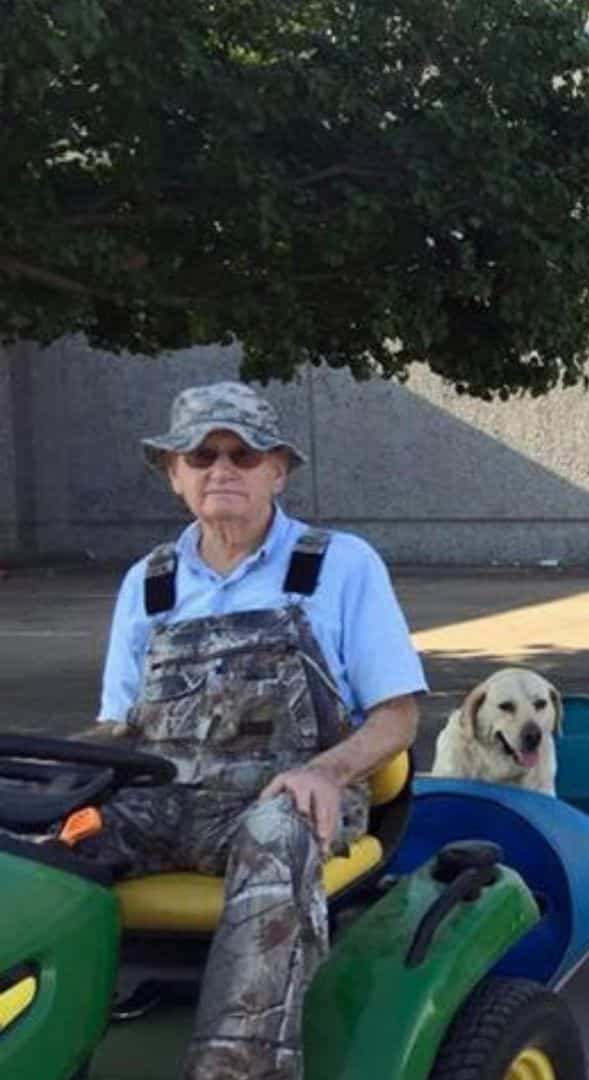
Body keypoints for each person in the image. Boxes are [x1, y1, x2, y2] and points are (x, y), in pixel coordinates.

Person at [81, 381, 427, 1080]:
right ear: (173, 474)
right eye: (201, 454)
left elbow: (400, 714)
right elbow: (117, 727)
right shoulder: (147, 584)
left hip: (290, 797)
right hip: (168, 800)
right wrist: (47, 782)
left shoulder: (339, 565)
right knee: (41, 840)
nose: (221, 469)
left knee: (277, 831)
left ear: (278, 469)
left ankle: (237, 1069)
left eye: (242, 453)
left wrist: (325, 772)